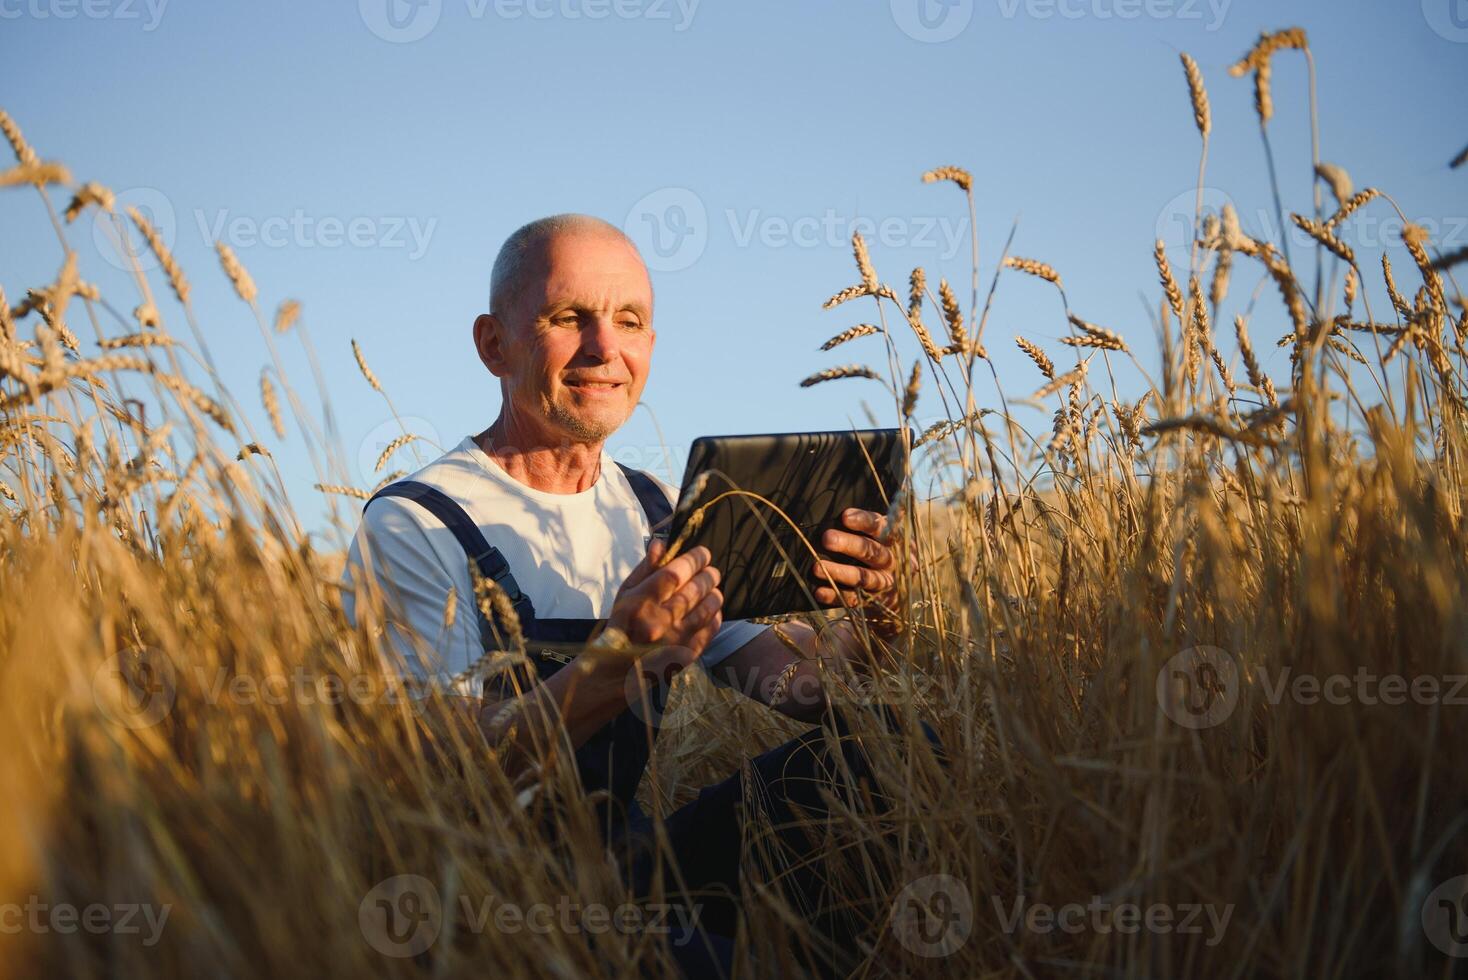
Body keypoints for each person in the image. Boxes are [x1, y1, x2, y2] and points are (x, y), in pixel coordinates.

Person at [342, 214, 915, 975]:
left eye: (630, 321)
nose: (604, 349)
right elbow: (441, 780)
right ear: (493, 345)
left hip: (628, 872)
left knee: (885, 755)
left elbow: (804, 689)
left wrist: (879, 616)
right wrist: (618, 663)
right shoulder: (418, 522)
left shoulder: (653, 509)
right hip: (484, 904)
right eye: (568, 318)